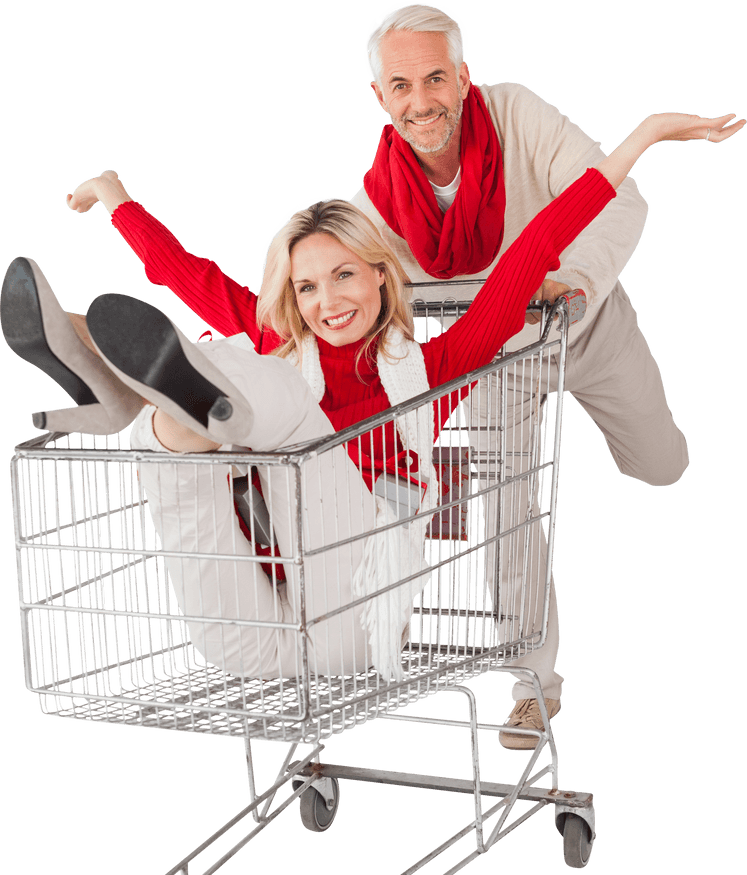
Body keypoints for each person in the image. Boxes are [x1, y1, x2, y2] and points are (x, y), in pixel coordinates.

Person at [2, 110, 739, 735]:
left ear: (380, 272)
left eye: (345, 274)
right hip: (252, 640)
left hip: (352, 615)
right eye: (307, 286)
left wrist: (638, 139)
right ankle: (155, 413)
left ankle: (142, 392)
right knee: (184, 468)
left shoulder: (436, 364)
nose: (328, 301)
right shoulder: (279, 341)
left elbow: (535, 245)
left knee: (271, 395)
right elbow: (181, 272)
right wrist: (115, 194)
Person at [350, 2, 739, 743]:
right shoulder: (376, 204)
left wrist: (572, 287)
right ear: (380, 97)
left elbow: (615, 195)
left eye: (435, 78)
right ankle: (534, 684)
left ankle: (650, 453)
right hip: (498, 365)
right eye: (400, 85)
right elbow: (334, 282)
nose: (421, 100)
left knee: (661, 467)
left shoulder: (517, 114)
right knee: (505, 513)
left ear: (462, 78)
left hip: (589, 327)